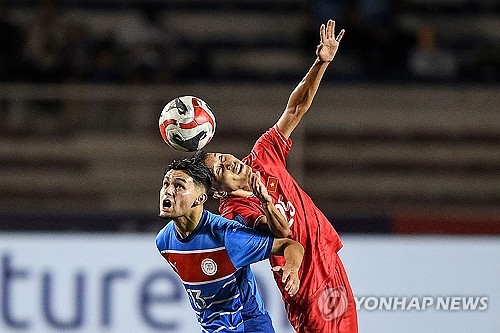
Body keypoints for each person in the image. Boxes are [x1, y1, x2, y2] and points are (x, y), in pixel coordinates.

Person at [202, 19, 358, 332]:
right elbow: (280, 232)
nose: (228, 162)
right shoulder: (234, 211)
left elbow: (295, 110)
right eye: (219, 169)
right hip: (307, 289)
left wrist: (321, 62)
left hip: (330, 264)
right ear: (219, 191)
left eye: (222, 156)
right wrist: (262, 197)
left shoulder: (263, 154)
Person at [155, 152, 305, 333]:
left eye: (179, 186)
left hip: (248, 327)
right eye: (166, 184)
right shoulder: (164, 242)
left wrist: (292, 268)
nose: (168, 191)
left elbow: (290, 245)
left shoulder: (226, 237)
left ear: (200, 199)